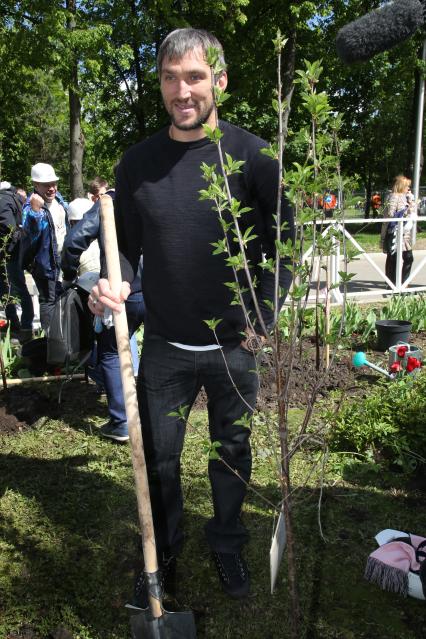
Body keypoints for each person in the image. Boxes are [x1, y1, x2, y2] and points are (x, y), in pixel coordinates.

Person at [89, 28, 294, 599]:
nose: (183, 90)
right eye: (171, 78)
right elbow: (124, 251)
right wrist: (107, 284)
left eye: (196, 76)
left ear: (219, 82)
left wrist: (264, 317)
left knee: (232, 454)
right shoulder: (138, 165)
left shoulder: (255, 158)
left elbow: (286, 244)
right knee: (160, 461)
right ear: (160, 84)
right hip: (166, 348)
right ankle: (164, 553)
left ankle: (228, 544)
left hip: (237, 346)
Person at [62, 190, 144, 442]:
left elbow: (75, 239)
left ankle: (122, 422)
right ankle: (151, 417)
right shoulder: (157, 192)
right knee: (159, 348)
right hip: (158, 289)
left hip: (121, 288)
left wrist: (68, 272)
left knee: (110, 351)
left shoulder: (109, 201)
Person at [21, 163, 68, 331]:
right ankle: (50, 342)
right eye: (46, 185)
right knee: (48, 300)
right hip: (45, 264)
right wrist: (35, 212)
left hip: (63, 260)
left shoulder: (59, 200)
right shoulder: (30, 207)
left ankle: (63, 338)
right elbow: (30, 237)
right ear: (35, 185)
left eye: (54, 183)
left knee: (61, 297)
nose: (52, 188)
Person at [0, 181, 34, 341]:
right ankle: (21, 326)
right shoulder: (13, 197)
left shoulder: (3, 200)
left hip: (7, 254)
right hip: (13, 252)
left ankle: (20, 327)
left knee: (12, 289)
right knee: (13, 289)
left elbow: (8, 227)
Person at [381, 175, 415, 285]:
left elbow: (412, 213)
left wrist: (412, 203)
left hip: (405, 233)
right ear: (401, 186)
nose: (408, 189)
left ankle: (404, 282)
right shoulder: (394, 196)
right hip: (394, 232)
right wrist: (405, 212)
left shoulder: (407, 197)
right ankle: (391, 283)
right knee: (393, 259)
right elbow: (391, 214)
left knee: (408, 258)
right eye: (407, 186)